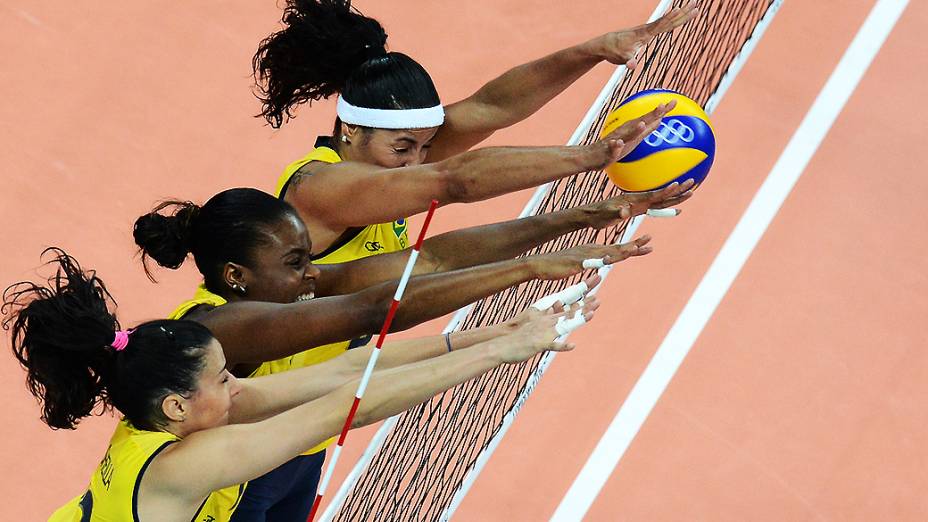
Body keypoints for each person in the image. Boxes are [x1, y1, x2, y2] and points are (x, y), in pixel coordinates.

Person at [134, 186, 649, 520]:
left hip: (283, 462)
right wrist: (525, 284)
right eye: (296, 263)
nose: (313, 275)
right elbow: (352, 391)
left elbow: (351, 367)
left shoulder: (265, 310)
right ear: (235, 277)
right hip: (242, 489)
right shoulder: (220, 335)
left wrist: (496, 335)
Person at [5, 249, 594, 521]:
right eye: (222, 377)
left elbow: (340, 374)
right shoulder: (181, 464)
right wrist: (503, 353)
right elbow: (345, 409)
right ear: (178, 404)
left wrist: (490, 334)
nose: (236, 385)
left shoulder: (178, 416)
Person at [253, 0, 698, 259]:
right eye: (403, 147)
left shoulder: (396, 163)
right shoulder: (321, 186)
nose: (416, 160)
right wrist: (590, 157)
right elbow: (456, 180)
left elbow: (494, 105)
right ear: (351, 129)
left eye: (426, 146)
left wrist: (592, 51)